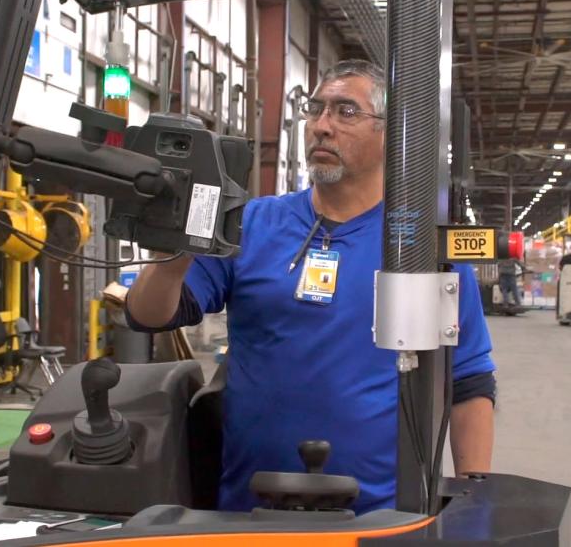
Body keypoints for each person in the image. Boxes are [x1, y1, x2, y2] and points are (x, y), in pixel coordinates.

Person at [125, 60, 496, 514]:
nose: (322, 127)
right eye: (315, 110)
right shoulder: (252, 224)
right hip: (248, 508)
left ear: (390, 133)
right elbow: (148, 315)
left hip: (382, 515)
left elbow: (469, 380)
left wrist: (474, 501)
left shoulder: (421, 249)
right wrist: (175, 246)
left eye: (345, 112)